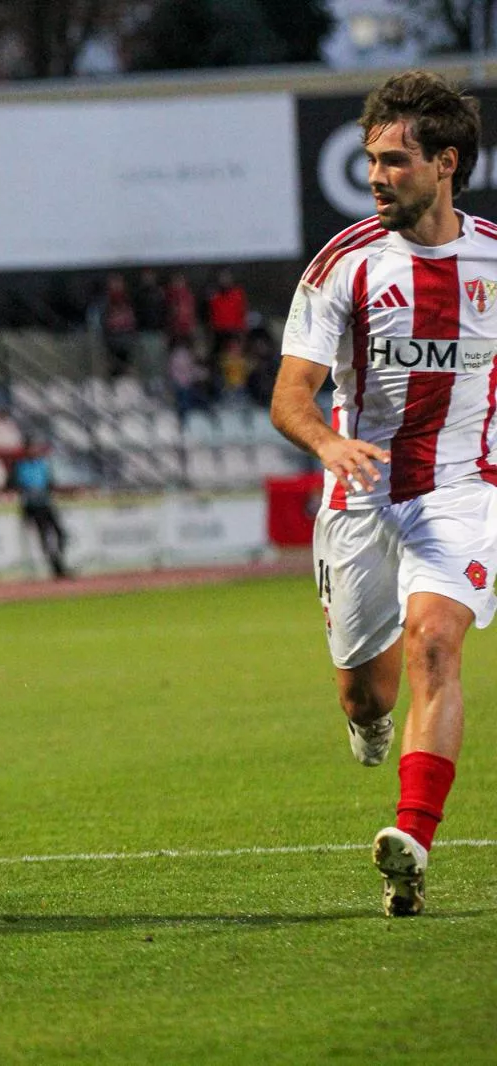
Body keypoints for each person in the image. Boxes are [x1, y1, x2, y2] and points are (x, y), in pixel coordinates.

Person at [270, 70, 495, 918]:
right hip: (359, 494)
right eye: (369, 159)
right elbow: (291, 396)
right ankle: (368, 723)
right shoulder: (345, 263)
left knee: (436, 642)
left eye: (394, 161)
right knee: (366, 693)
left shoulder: (494, 261)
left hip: (463, 490)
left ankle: (413, 839)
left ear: (446, 163)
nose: (375, 175)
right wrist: (329, 441)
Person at [9, 437, 70, 580]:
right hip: (33, 507)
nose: (35, 450)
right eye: (32, 448)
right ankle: (56, 567)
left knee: (61, 534)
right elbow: (12, 484)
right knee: (45, 536)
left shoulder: (43, 464)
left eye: (36, 448)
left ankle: (58, 562)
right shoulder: (20, 466)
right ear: (27, 450)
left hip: (46, 504)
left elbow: (50, 482)